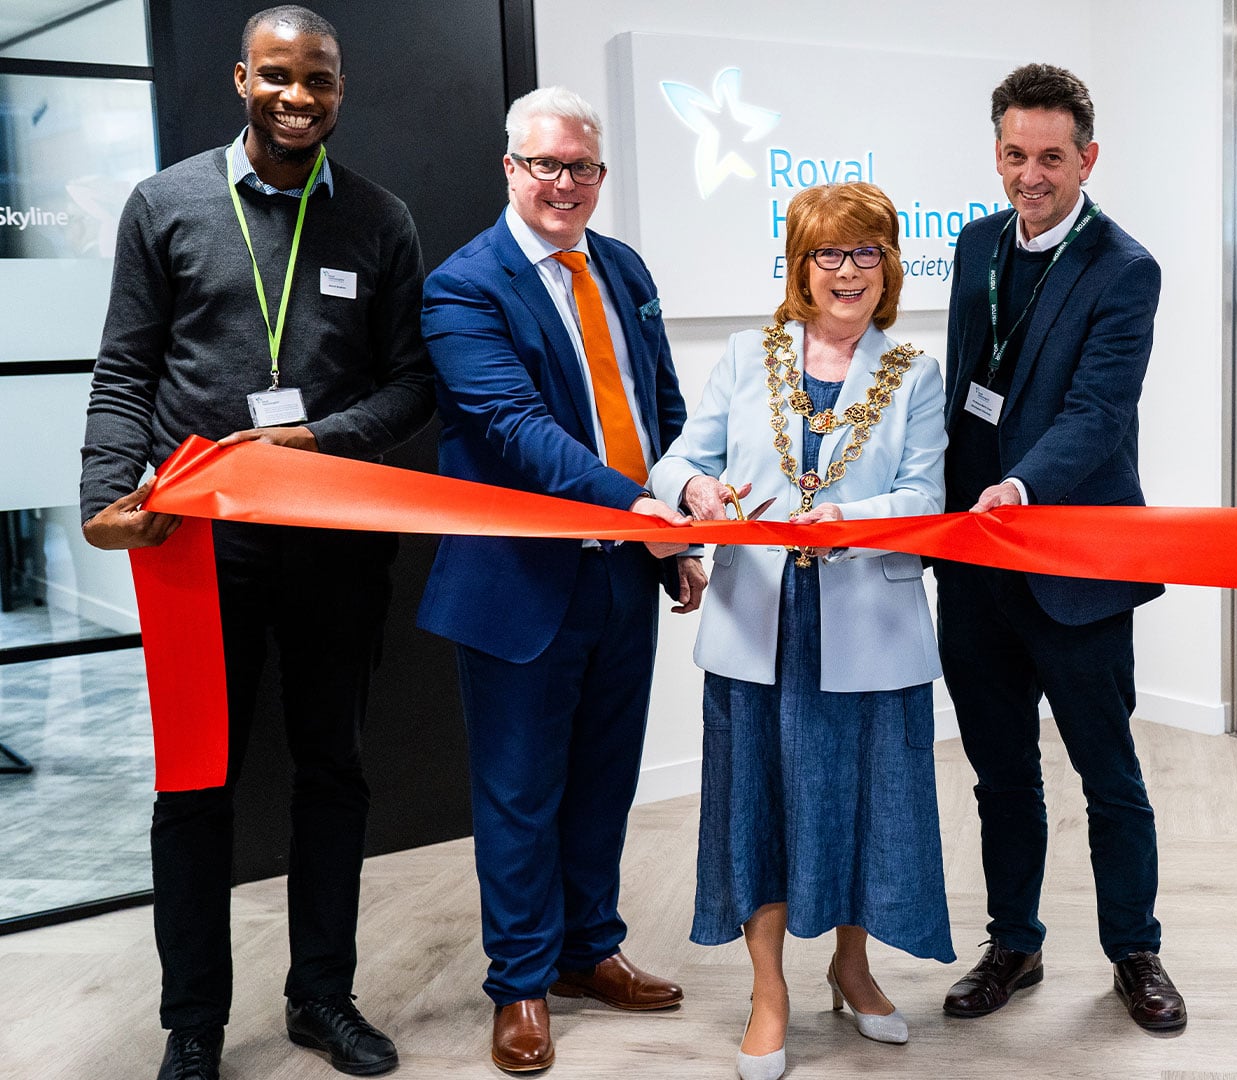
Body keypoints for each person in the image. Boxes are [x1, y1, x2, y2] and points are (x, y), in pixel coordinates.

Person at [79, 7, 433, 1078]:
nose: (298, 97)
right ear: (242, 78)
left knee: (334, 772)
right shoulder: (167, 203)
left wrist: (317, 435)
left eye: (318, 80)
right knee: (195, 781)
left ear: (339, 89)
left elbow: (413, 382)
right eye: (277, 76)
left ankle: (321, 997)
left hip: (331, 538)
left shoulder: (381, 219)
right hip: (199, 544)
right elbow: (124, 370)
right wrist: (104, 489)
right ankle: (193, 1022)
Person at [416, 86, 701, 1073]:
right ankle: (523, 984)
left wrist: (680, 524)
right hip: (519, 586)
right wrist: (641, 511)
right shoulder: (465, 286)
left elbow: (658, 407)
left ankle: (589, 952)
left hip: (624, 578)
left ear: (600, 176)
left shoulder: (621, 268)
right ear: (511, 168)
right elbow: (516, 430)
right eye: (546, 165)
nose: (565, 184)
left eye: (581, 167)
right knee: (519, 793)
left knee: (600, 782)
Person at [651, 180, 951, 1080]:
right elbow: (679, 463)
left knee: (865, 803)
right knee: (762, 806)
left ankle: (853, 967)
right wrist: (696, 494)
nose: (848, 271)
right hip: (761, 628)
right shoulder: (750, 356)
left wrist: (848, 519)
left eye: (867, 253)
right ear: (800, 265)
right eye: (830, 253)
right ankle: (768, 992)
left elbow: (927, 499)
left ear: (889, 265)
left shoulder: (914, 373)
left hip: (867, 622)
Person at [934, 62, 1183, 1032]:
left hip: (1074, 567)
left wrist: (1022, 485)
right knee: (1001, 775)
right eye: (1013, 154)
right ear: (996, 152)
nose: (1029, 175)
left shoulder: (1125, 268)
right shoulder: (972, 246)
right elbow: (962, 396)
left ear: (1088, 157)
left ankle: (1136, 951)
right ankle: (1014, 943)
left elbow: (1096, 413)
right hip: (976, 568)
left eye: (1049, 156)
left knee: (1107, 775)